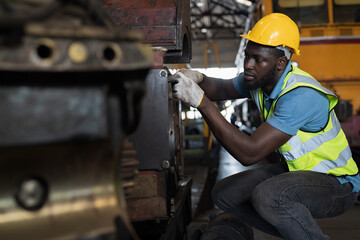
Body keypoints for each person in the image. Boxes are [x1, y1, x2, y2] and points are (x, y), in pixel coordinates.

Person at [169, 13, 360, 240]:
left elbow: (249, 153)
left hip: (337, 184)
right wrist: (198, 77)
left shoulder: (300, 95)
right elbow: (220, 89)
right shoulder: (259, 80)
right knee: (225, 193)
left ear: (281, 62)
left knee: (269, 195)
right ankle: (301, 234)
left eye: (258, 59)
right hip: (298, 172)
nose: (248, 65)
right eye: (247, 56)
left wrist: (201, 102)